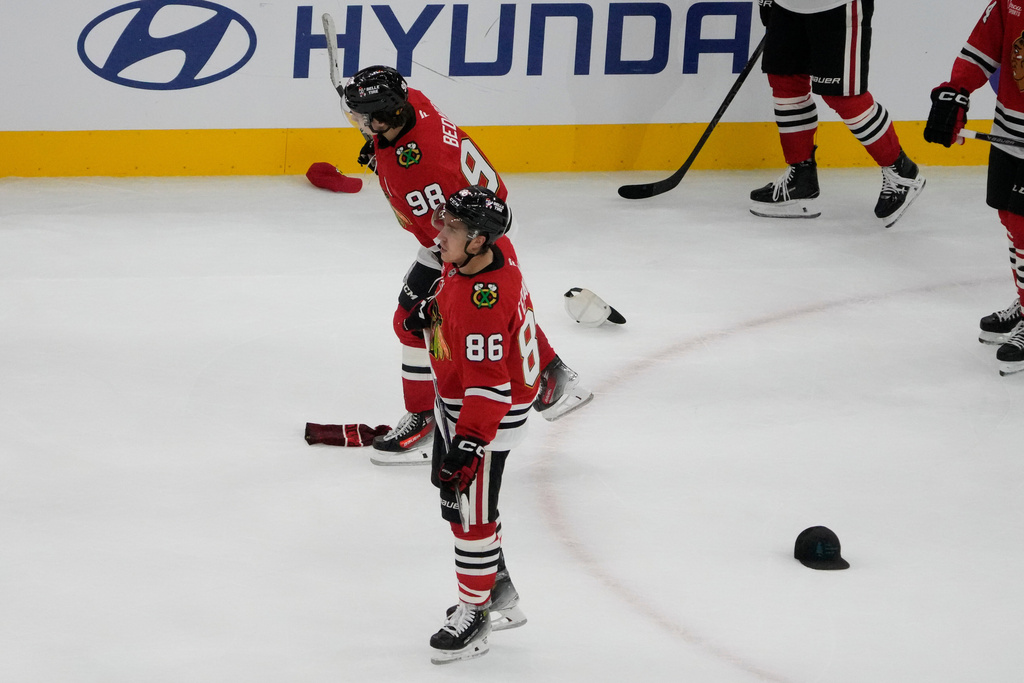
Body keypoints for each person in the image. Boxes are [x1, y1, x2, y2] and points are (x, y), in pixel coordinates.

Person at [338, 65, 593, 464]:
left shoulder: (419, 173)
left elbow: (436, 234)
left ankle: (423, 422)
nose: (358, 123)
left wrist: (383, 156)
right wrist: (380, 143)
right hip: (487, 221)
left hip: (464, 241)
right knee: (502, 311)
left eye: (363, 118)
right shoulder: (414, 103)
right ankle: (553, 378)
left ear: (387, 115)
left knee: (413, 322)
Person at [401, 186, 535, 664]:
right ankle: (496, 591)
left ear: (479, 240)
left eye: (452, 228)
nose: (439, 234)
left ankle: (475, 614)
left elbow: (490, 388)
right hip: (459, 403)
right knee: (457, 508)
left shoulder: (483, 302)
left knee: (473, 517)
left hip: (482, 419)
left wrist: (470, 445)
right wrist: (433, 316)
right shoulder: (485, 263)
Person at [751, 0, 925, 227]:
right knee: (786, 83)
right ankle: (801, 179)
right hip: (786, 5)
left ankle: (901, 170)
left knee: (843, 95)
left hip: (836, 5)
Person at [923, 0, 1024, 377]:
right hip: (1009, 132)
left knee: (1023, 223)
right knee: (1009, 218)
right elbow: (980, 50)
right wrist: (956, 90)